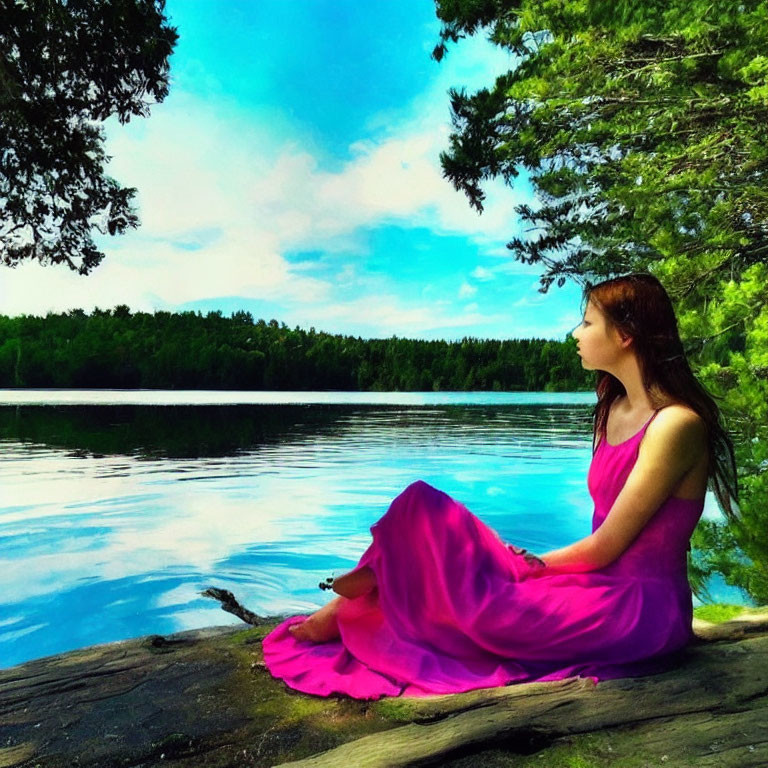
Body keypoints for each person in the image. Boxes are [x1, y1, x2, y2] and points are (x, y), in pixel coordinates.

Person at [262, 273, 739, 699]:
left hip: (637, 609)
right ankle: (368, 585)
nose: (576, 334)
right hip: (594, 585)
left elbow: (607, 546)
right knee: (423, 510)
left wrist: (517, 565)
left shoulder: (676, 425)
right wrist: (516, 564)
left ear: (626, 335)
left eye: (588, 322)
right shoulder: (612, 410)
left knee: (478, 594)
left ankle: (358, 594)